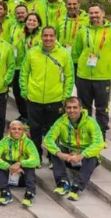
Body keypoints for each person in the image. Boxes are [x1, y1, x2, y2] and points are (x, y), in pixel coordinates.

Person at [72, 3, 111, 139]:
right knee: (84, 108)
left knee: (102, 109)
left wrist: (108, 66)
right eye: (91, 13)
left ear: (103, 14)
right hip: (84, 76)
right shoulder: (83, 31)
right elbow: (76, 52)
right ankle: (85, 134)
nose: (94, 15)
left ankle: (101, 136)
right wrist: (81, 67)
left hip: (103, 77)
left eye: (96, 13)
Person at [20, 26, 74, 157]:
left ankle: (52, 157)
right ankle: (35, 155)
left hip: (55, 99)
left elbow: (69, 76)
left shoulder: (64, 54)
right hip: (34, 98)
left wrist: (65, 96)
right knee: (35, 129)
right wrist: (25, 91)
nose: (48, 38)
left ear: (55, 37)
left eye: (51, 36)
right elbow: (24, 73)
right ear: (41, 37)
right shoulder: (32, 52)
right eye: (45, 35)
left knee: (53, 130)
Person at [44, 97, 106, 201]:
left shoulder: (90, 122)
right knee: (55, 150)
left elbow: (99, 143)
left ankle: (77, 186)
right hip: (69, 157)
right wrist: (61, 154)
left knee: (92, 155)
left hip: (84, 158)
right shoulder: (60, 121)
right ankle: (63, 182)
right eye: (69, 108)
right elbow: (48, 139)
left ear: (81, 108)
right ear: (65, 109)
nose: (71, 110)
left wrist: (81, 155)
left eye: (75, 107)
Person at [0, 120, 40, 207]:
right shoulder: (4, 141)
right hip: (9, 175)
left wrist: (20, 164)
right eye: (13, 129)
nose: (16, 131)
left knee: (30, 166)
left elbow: (36, 160)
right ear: (9, 130)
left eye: (19, 129)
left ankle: (30, 193)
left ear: (23, 131)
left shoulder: (28, 142)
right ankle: (5, 193)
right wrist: (8, 167)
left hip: (22, 177)